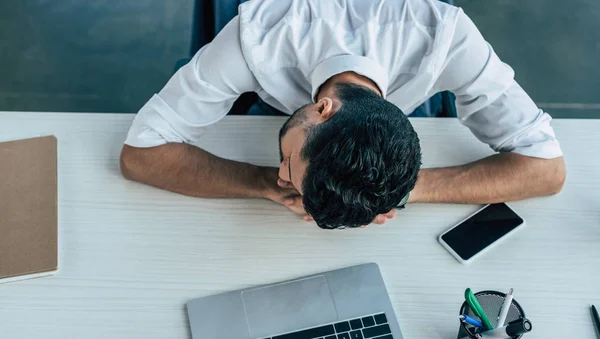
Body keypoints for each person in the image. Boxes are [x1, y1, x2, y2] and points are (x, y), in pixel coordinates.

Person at [120, 0, 565, 229]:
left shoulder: (449, 40)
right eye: (288, 167)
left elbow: (548, 169)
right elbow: (140, 152)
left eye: (286, 167)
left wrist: (401, 191)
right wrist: (261, 184)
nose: (281, 173)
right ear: (321, 110)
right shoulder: (256, 38)